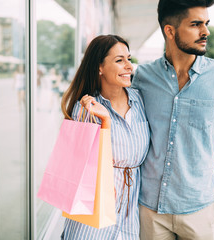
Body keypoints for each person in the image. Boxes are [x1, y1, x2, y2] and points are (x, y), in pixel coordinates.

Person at [131, 0, 214, 239]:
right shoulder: (142, 77)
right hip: (150, 206)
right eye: (196, 24)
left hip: (198, 206)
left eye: (206, 23)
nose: (205, 31)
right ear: (170, 31)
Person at [60, 35, 150, 239]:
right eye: (119, 60)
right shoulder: (86, 109)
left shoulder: (140, 100)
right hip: (94, 211)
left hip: (130, 213)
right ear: (99, 67)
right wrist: (106, 122)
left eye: (129, 58)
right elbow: (86, 168)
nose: (129, 66)